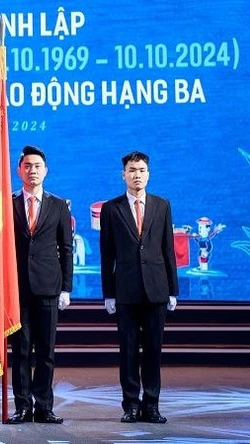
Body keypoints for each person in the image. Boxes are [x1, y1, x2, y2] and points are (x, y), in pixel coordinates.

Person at [100, 151, 178, 424]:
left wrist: (172, 290)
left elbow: (168, 249)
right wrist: (108, 292)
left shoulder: (162, 205)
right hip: (126, 290)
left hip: (156, 288)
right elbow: (106, 253)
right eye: (132, 170)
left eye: (142, 170)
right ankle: (131, 405)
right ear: (123, 174)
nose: (137, 175)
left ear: (149, 174)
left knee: (154, 350)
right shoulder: (112, 208)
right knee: (129, 349)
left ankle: (152, 405)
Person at [6, 145, 73, 424]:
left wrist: (66, 288)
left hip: (48, 287)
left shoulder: (59, 205)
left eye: (37, 166)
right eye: (27, 166)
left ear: (46, 171)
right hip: (16, 289)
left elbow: (66, 248)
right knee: (20, 350)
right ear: (19, 170)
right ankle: (22, 406)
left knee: (45, 351)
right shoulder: (7, 204)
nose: (32, 171)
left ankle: (44, 406)